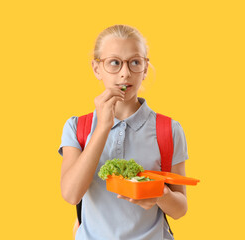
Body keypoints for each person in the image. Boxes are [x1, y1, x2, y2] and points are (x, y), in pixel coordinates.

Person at [58, 24, 189, 240]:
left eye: (135, 62)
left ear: (145, 69)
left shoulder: (169, 130)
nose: (125, 73)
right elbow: (71, 195)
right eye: (114, 63)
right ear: (96, 68)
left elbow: (180, 209)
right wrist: (102, 127)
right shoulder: (76, 127)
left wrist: (158, 194)